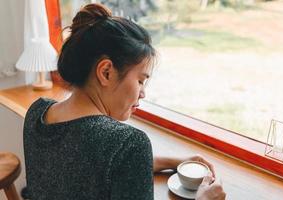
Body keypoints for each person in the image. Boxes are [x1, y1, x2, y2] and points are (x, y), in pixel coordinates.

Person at [23, 3, 225, 200]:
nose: (143, 93)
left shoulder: (37, 112)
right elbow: (110, 158)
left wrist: (172, 162)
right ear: (106, 72)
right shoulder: (128, 143)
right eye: (140, 81)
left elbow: (84, 166)